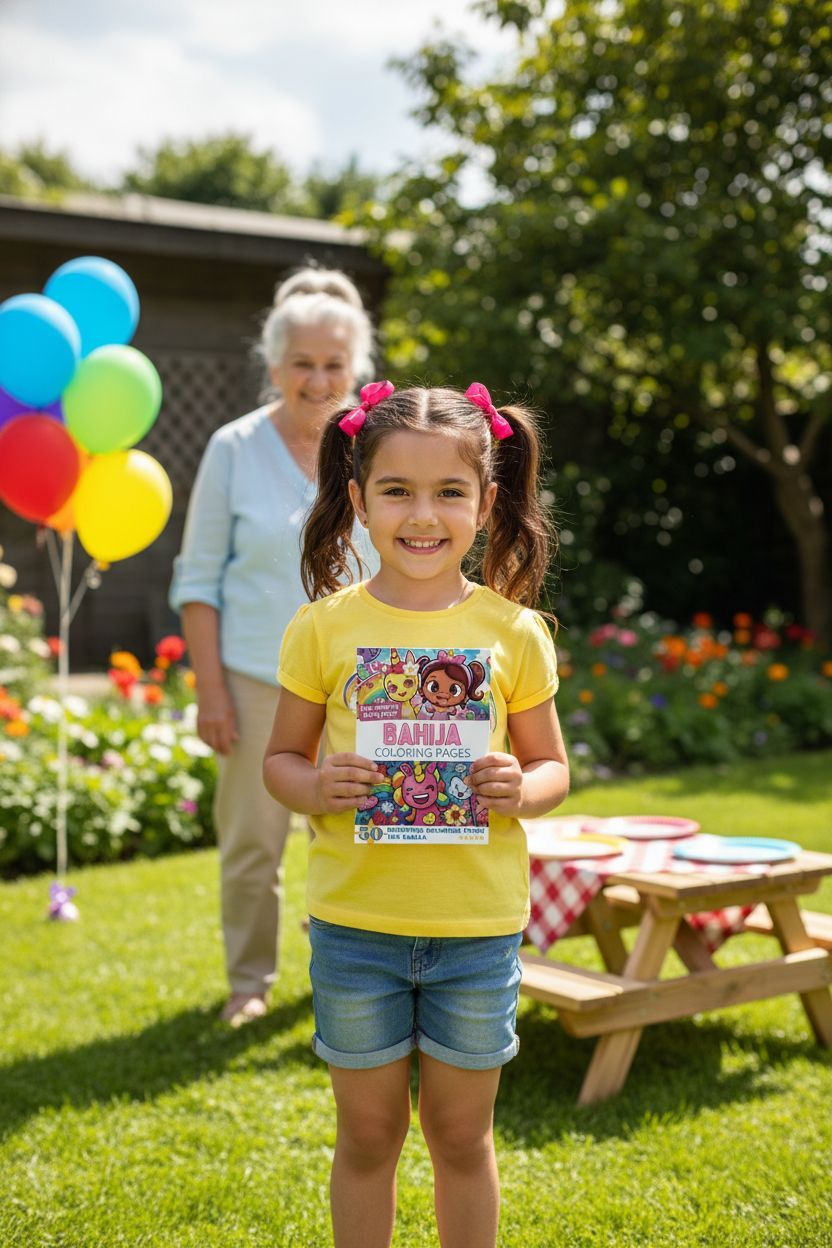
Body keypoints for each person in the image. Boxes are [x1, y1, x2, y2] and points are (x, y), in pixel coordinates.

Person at [263, 382, 570, 1248]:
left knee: (461, 1137)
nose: (422, 515)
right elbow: (280, 762)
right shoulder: (321, 629)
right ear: (358, 500)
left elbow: (552, 770)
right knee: (368, 1136)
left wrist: (521, 784)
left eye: (449, 492)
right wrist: (316, 785)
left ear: (487, 502)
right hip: (357, 930)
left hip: (476, 933)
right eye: (397, 490)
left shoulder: (513, 633)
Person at [169, 267, 376, 1026]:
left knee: (360, 834)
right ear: (274, 367)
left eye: (334, 365)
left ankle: (352, 970)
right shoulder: (234, 448)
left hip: (364, 683)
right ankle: (249, 982)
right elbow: (197, 578)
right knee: (254, 845)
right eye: (303, 364)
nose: (319, 380)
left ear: (356, 369)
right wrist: (212, 691)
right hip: (258, 680)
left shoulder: (377, 445)